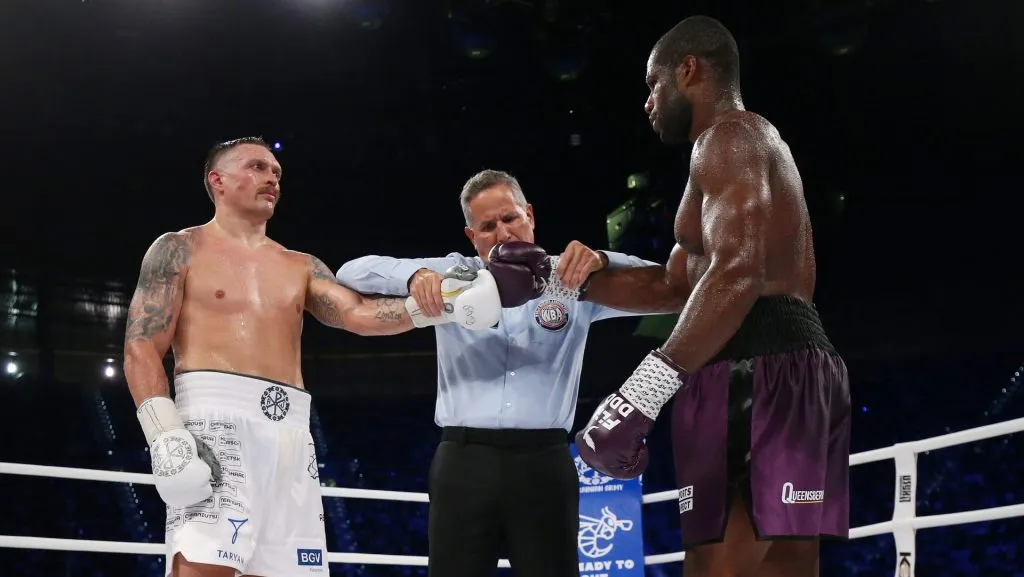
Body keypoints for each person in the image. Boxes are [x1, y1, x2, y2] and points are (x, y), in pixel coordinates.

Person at [123, 137, 502, 577]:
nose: (271, 178)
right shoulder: (179, 248)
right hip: (213, 422)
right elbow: (141, 345)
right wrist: (164, 434)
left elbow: (357, 314)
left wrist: (445, 305)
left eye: (276, 173)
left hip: (289, 435)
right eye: (257, 167)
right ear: (218, 180)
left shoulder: (300, 265)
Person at [572, 16, 851, 577]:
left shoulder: (728, 138)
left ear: (689, 69)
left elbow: (739, 272)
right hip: (790, 365)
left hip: (753, 366)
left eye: (653, 85)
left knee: (716, 568)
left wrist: (642, 393)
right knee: (784, 567)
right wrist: (568, 277)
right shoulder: (740, 148)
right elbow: (677, 287)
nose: (649, 102)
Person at [334, 168, 660, 577]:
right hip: (464, 460)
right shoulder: (454, 274)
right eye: (487, 226)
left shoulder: (571, 278)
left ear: (530, 215)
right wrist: (415, 276)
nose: (503, 233)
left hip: (545, 460)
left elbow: (661, 284)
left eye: (510, 218)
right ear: (472, 237)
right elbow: (351, 270)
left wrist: (603, 259)